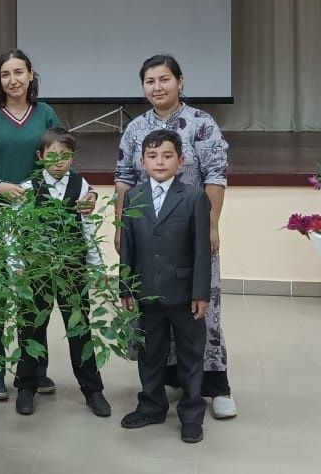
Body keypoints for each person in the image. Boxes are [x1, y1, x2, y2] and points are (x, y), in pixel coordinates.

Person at [113, 54, 236, 419]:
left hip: (191, 233)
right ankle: (164, 383)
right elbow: (123, 177)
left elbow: (216, 175)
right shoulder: (135, 129)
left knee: (200, 313)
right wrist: (121, 224)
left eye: (164, 79)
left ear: (180, 82)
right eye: (150, 81)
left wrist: (211, 225)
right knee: (153, 309)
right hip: (148, 234)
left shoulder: (202, 123)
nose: (157, 87)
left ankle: (215, 387)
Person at [0, 49, 61, 401]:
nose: (13, 80)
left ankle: (34, 368)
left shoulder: (46, 113)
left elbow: (60, 158)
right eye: (6, 74)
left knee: (34, 296)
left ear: (31, 75)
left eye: (19, 72)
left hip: (37, 220)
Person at [118, 129, 211, 444]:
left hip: (185, 294)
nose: (160, 162)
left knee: (190, 355)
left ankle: (191, 415)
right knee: (150, 352)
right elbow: (127, 246)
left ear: (181, 161)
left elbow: (201, 249)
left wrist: (200, 292)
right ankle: (152, 406)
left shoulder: (195, 196)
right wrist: (125, 287)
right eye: (153, 156)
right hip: (146, 291)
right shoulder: (133, 196)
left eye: (168, 155)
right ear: (142, 162)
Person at [14, 127, 109, 418]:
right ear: (40, 156)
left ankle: (92, 390)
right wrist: (16, 265)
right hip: (37, 270)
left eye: (65, 156)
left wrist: (97, 266)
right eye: (52, 155)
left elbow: (88, 227)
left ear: (73, 158)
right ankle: (26, 386)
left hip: (72, 269)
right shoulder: (28, 188)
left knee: (79, 328)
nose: (58, 161)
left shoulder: (81, 186)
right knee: (31, 327)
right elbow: (16, 229)